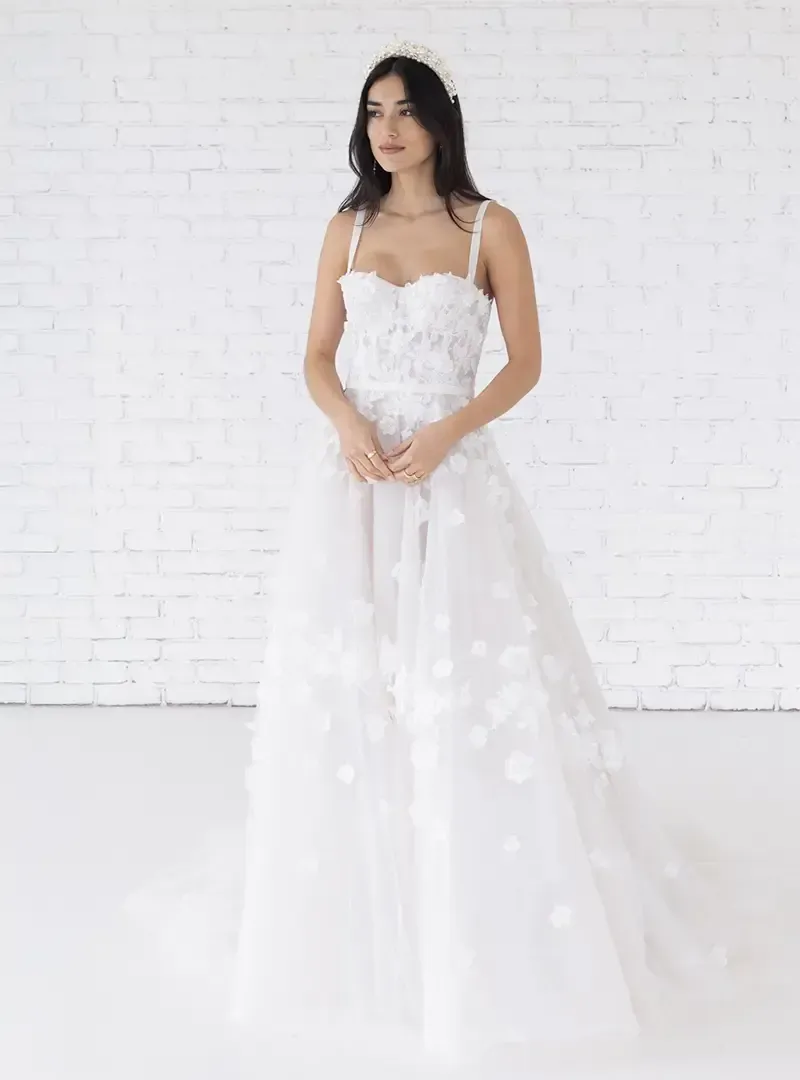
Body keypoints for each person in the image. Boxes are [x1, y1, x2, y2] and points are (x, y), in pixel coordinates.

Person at [124, 39, 779, 1078]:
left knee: (462, 682)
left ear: (439, 121)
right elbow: (315, 355)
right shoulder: (345, 228)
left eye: (405, 110)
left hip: (450, 481)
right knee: (361, 682)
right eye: (373, 111)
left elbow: (525, 363)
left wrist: (446, 432)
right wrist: (346, 422)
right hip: (354, 484)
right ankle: (368, 881)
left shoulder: (489, 228)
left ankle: (481, 892)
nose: (387, 129)